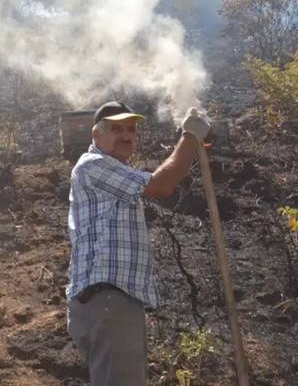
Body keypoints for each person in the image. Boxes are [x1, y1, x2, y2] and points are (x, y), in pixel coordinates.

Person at [66, 101, 210, 386]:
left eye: (131, 129)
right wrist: (191, 137)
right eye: (116, 129)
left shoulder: (116, 173)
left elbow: (160, 179)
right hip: (109, 299)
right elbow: (160, 185)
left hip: (111, 302)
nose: (126, 135)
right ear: (96, 135)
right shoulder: (93, 165)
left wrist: (189, 147)